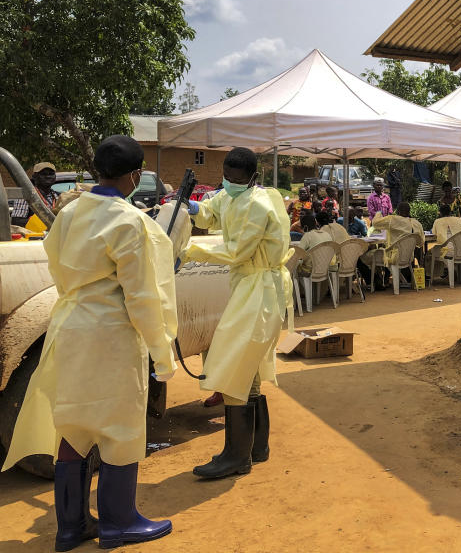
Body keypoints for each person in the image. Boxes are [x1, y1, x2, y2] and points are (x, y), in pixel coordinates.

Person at [2, 136, 178, 549]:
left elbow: (53, 256)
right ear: (135, 175)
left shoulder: (71, 211)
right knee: (120, 427)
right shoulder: (129, 221)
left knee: (74, 427)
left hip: (69, 325)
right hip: (111, 334)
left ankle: (71, 526)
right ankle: (119, 523)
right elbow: (141, 297)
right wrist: (161, 351)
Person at [183, 147, 293, 479]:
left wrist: (189, 252)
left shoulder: (257, 204)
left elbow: (235, 251)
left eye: (235, 179)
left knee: (233, 365)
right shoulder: (230, 195)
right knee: (249, 368)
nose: (229, 183)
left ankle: (236, 456)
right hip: (248, 285)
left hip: (259, 288)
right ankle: (256, 448)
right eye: (226, 177)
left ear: (252, 178)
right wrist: (189, 207)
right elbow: (210, 213)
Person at [10, 162, 60, 227]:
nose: (48, 176)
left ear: (55, 177)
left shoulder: (58, 196)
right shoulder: (26, 196)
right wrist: (41, 222)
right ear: (34, 177)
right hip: (34, 236)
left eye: (51, 174)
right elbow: (16, 221)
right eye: (43, 174)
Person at [295, 212, 333, 276]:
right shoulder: (327, 234)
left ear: (305, 227)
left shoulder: (308, 235)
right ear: (316, 223)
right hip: (325, 269)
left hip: (309, 271)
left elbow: (298, 253)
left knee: (293, 269)